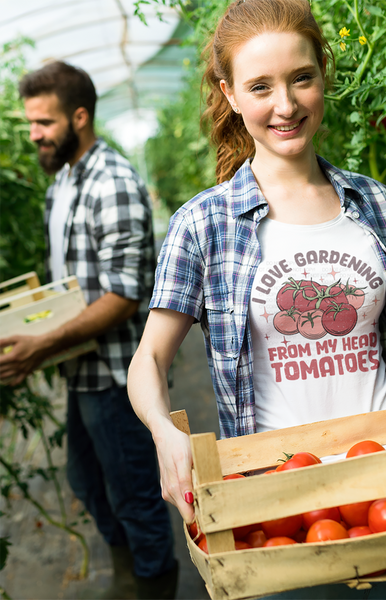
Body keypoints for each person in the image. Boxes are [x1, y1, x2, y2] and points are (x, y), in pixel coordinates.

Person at [127, 0, 386, 597]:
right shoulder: (203, 224)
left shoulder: (373, 202)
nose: (286, 105)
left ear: (323, 72)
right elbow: (147, 363)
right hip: (286, 510)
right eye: (260, 86)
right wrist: (165, 434)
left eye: (301, 78)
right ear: (230, 93)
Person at [0, 61, 178, 600]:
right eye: (30, 123)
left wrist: (40, 344)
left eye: (44, 123)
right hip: (81, 368)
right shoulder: (64, 182)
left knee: (133, 495)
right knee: (87, 482)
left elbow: (123, 298)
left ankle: (151, 583)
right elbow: (71, 284)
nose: (35, 135)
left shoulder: (113, 183)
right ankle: (131, 572)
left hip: (115, 373)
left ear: (80, 117)